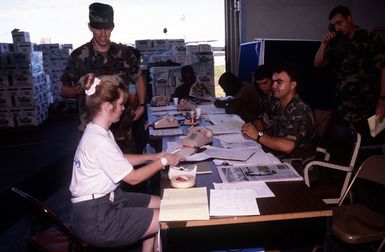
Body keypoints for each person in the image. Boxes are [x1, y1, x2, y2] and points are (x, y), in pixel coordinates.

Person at [69, 73, 184, 251]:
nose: (123, 109)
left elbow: (120, 160)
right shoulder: (98, 141)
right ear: (108, 106)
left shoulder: (98, 131)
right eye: (121, 104)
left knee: (164, 203)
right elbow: (133, 179)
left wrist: (152, 157)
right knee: (167, 215)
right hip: (96, 218)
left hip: (105, 201)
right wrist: (163, 161)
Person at [61, 2, 147, 152]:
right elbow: (63, 90)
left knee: (128, 172)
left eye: (107, 28)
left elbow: (139, 77)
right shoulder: (79, 56)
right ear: (90, 27)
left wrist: (141, 105)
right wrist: (80, 88)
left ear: (112, 27)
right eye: (98, 28)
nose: (103, 33)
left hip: (122, 130)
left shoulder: (124, 53)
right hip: (92, 132)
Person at [314, 5, 385, 143]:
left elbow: (383, 69)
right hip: (343, 106)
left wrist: (382, 101)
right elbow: (317, 63)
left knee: (365, 144)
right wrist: (324, 44)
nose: (337, 28)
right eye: (334, 25)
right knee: (342, 145)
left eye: (340, 23)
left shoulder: (370, 39)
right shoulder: (337, 43)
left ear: (349, 19)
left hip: (366, 105)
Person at [242, 63, 316, 173]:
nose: (274, 86)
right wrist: (251, 128)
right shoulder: (278, 104)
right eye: (274, 81)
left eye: (279, 82)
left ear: (292, 85)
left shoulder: (300, 111)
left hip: (297, 168)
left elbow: (287, 146)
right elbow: (263, 122)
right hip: (276, 159)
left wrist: (258, 135)